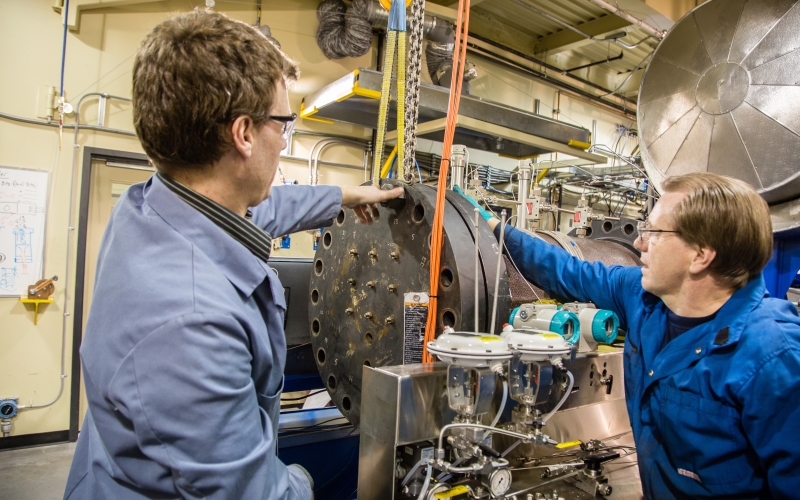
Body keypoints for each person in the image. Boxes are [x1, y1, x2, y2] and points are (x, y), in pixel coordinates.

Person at [64, 9, 402, 500]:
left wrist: (346, 196)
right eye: (283, 123)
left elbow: (262, 210)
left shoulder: (148, 207)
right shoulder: (191, 326)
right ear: (243, 133)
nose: (284, 140)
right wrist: (305, 480)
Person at [476, 173, 800, 498]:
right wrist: (496, 228)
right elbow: (568, 271)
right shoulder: (642, 297)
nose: (638, 243)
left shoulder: (774, 355)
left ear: (701, 255)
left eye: (655, 232)